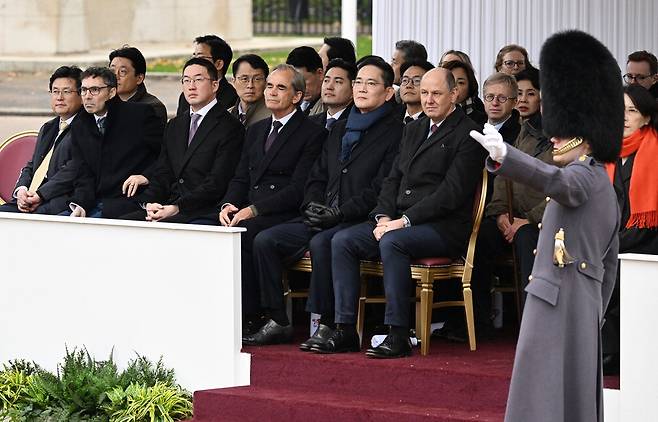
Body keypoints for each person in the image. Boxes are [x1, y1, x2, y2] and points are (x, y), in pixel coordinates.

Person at [471, 30, 623, 422]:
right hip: (573, 300)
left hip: (559, 299)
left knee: (543, 399)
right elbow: (608, 269)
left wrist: (508, 157)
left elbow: (556, 183)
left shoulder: (585, 176)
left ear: (585, 134)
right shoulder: (596, 180)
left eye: (564, 131)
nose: (554, 136)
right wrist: (593, 311)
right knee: (562, 398)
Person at [312, 68, 486, 358]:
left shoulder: (468, 133)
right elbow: (393, 179)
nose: (428, 100)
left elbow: (450, 194)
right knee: (343, 240)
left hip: (441, 227)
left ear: (454, 94)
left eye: (436, 94)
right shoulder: (414, 128)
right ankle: (343, 329)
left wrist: (403, 222)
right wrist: (382, 216)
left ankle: (398, 332)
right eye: (425, 93)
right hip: (397, 221)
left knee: (393, 242)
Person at [245, 57, 403, 347]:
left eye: (371, 83)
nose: (362, 88)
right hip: (324, 215)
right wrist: (312, 205)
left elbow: (382, 188)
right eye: (358, 82)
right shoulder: (341, 127)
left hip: (360, 217)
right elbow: (316, 175)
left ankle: (331, 323)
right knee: (266, 239)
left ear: (389, 92)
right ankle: (278, 319)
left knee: (323, 242)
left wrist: (340, 211)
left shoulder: (396, 132)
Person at [195, 64, 326, 334]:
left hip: (286, 212)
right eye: (270, 86)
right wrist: (229, 204)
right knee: (211, 229)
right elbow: (241, 177)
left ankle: (267, 316)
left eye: (281, 87)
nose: (272, 92)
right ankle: (220, 310)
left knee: (250, 234)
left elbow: (299, 188)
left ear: (297, 96)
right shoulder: (256, 130)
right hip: (253, 210)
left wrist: (253, 210)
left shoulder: (312, 133)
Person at [119, 58, 244, 223]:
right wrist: (150, 203)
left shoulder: (230, 126)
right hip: (170, 205)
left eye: (198, 80)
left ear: (215, 85)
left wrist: (176, 208)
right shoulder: (175, 125)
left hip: (204, 210)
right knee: (121, 224)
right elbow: (163, 172)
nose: (191, 86)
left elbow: (217, 182)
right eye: (186, 80)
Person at [601, 84, 658, 374]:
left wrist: (611, 244)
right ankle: (599, 348)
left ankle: (613, 353)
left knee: (616, 272)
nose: (623, 117)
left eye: (632, 111)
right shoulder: (606, 153)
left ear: (646, 118)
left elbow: (649, 223)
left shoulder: (655, 152)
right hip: (614, 240)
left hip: (647, 244)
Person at [67, 67, 164, 218]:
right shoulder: (80, 123)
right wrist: (81, 204)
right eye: (84, 90)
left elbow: (167, 155)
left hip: (132, 202)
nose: (87, 96)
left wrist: (145, 176)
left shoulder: (140, 115)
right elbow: (82, 171)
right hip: (93, 203)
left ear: (111, 92)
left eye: (94, 90)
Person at [0, 66, 83, 215]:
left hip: (56, 203)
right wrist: (22, 190)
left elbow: (72, 171)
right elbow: (32, 166)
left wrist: (40, 195)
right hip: (31, 199)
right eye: (55, 91)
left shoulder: (86, 129)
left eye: (66, 92)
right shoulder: (49, 127)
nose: (59, 97)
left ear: (81, 95)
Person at [176, 35, 238, 115]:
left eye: (201, 58)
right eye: (194, 57)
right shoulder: (186, 95)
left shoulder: (231, 98)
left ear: (218, 64)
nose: (195, 62)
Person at [109, 46, 167, 126]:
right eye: (112, 71)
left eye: (122, 71)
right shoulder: (104, 102)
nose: (115, 76)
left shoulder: (152, 108)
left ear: (139, 78)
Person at [309, 58, 356, 130]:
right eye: (326, 80)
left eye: (338, 82)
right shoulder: (310, 123)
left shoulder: (355, 124)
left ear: (353, 89)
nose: (329, 87)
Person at [228, 54, 271, 127]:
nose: (250, 85)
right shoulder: (226, 116)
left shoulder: (273, 115)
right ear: (233, 81)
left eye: (257, 79)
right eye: (244, 79)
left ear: (266, 83)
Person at [441, 60, 486, 125]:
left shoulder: (482, 120)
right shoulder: (431, 114)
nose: (454, 87)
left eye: (460, 83)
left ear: (470, 86)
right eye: (450, 81)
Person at [483, 72, 521, 144]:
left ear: (514, 102)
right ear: (484, 100)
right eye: (490, 96)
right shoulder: (472, 128)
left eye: (502, 98)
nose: (495, 103)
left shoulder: (521, 134)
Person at [286, 46, 325, 116]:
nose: (298, 88)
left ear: (320, 73)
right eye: (294, 83)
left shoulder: (330, 106)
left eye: (303, 81)